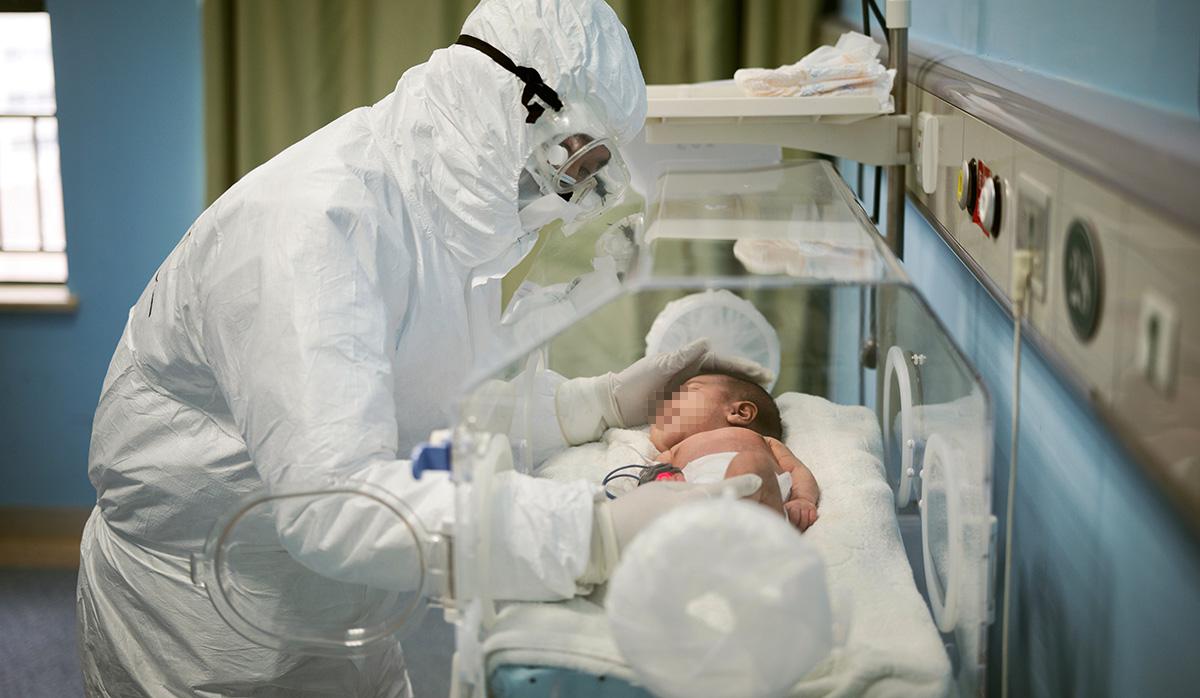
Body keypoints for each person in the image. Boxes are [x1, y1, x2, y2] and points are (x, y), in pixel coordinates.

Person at [75, 1, 765, 696]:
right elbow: (331, 505)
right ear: (522, 104)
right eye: (578, 158)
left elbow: (432, 400)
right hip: (203, 616)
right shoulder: (314, 226)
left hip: (338, 602)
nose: (574, 192)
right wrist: (590, 536)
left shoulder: (450, 220)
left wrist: (593, 404)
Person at [649, 372, 821, 530]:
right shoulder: (674, 451)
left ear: (740, 412)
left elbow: (796, 470)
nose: (668, 403)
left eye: (688, 391)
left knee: (751, 463)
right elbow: (652, 478)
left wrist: (802, 499)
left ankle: (738, 530)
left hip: (756, 504)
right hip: (696, 504)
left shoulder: (761, 441)